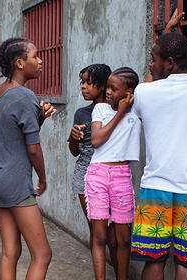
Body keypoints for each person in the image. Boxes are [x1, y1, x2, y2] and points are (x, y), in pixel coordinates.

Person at [130, 32, 187, 280]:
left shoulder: (143, 92)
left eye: (153, 59)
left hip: (154, 189)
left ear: (169, 62)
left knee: (153, 261)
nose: (150, 64)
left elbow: (144, 114)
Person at [0, 37, 56, 279]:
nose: (40, 61)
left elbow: (13, 131)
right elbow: (33, 148)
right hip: (16, 181)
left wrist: (40, 118)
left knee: (10, 251)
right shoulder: (26, 96)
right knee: (43, 254)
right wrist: (44, 180)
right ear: (19, 62)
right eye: (35, 56)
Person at [85, 67, 141, 280]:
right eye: (107, 86)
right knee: (100, 237)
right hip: (97, 174)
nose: (108, 92)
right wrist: (119, 113)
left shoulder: (137, 110)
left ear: (129, 92)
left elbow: (153, 81)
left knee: (124, 239)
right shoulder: (100, 109)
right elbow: (96, 140)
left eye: (114, 89)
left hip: (122, 175)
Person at [68, 63, 120, 275]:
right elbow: (74, 152)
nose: (83, 87)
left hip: (111, 176)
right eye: (82, 83)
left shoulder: (117, 110)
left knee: (115, 237)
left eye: (89, 83)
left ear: (102, 86)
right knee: (99, 233)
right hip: (85, 175)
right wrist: (73, 138)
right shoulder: (81, 113)